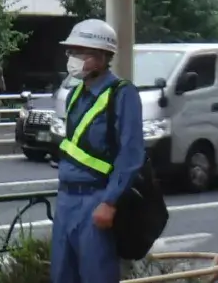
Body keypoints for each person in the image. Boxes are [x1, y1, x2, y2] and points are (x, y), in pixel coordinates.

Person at [51, 19, 145, 283]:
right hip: (67, 198)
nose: (73, 59)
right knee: (61, 275)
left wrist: (110, 201)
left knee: (97, 274)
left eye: (82, 52)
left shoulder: (122, 94)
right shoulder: (74, 94)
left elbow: (131, 154)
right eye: (71, 52)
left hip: (96, 199)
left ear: (103, 57)